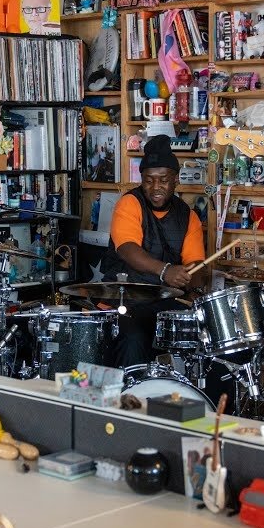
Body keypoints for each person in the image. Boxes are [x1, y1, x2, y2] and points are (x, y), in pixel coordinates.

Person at [102, 135, 209, 368]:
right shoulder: (129, 203)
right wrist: (166, 271)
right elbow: (128, 249)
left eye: (163, 180)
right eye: (149, 180)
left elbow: (197, 264)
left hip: (166, 301)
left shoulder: (188, 216)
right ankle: (132, 399)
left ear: (175, 180)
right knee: (133, 338)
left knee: (204, 336)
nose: (156, 187)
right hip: (127, 299)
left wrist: (194, 284)